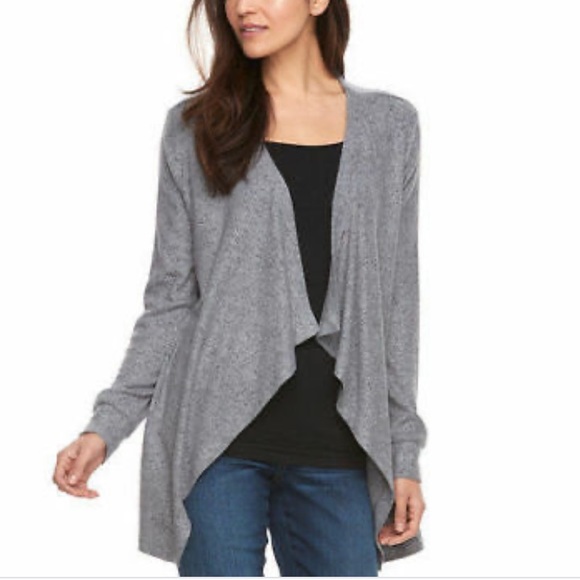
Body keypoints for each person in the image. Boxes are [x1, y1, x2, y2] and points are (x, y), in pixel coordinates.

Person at [53, 0, 428, 576]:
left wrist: (403, 453)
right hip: (216, 446)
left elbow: (396, 304)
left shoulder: (390, 127)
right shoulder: (196, 127)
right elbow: (171, 301)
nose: (241, 7)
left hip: (339, 445)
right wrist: (106, 426)